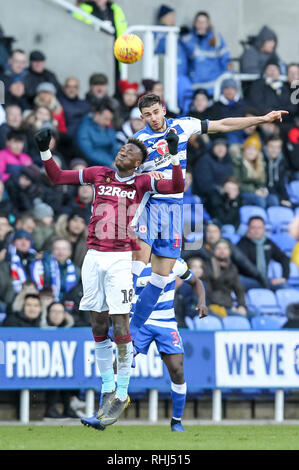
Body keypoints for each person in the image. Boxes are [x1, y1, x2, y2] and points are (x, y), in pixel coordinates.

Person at [34, 125, 184, 429]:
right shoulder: (99, 173)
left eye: (129, 152)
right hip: (92, 257)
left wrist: (176, 155)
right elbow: (57, 177)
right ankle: (106, 391)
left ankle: (122, 393)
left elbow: (176, 187)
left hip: (119, 259)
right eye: (122, 148)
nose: (122, 152)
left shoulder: (142, 183)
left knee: (120, 324)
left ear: (137, 163)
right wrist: (44, 150)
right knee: (98, 325)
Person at [129, 93, 287, 339]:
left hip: (173, 211)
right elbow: (124, 177)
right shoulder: (138, 140)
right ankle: (119, 316)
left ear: (163, 110)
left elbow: (223, 124)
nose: (153, 118)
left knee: (160, 279)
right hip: (149, 206)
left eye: (156, 112)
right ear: (142, 117)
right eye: (147, 115)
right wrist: (145, 179)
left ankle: (132, 331)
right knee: (136, 267)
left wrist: (262, 119)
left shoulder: (182, 125)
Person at [129, 257, 207, 432]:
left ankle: (176, 421)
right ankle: (104, 411)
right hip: (139, 321)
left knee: (177, 369)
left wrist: (201, 302)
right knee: (122, 362)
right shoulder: (133, 261)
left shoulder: (174, 262)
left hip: (166, 323)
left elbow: (196, 282)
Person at [178, 11, 232, 112]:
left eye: (204, 22)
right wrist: (184, 36)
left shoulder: (215, 38)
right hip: (195, 87)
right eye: (199, 22)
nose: (201, 25)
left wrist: (228, 78)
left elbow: (226, 59)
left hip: (214, 87)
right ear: (194, 23)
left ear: (208, 24)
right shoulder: (189, 38)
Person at [237, 216, 290, 290]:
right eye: (253, 228)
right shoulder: (242, 244)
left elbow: (284, 258)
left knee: (283, 286)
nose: (256, 231)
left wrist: (284, 277)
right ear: (248, 229)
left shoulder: (268, 243)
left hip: (264, 279)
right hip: (247, 279)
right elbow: (243, 264)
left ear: (264, 229)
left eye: (259, 228)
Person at [203, 239, 247, 317]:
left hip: (229, 305)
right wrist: (229, 306)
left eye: (225, 248)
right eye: (219, 248)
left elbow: (239, 289)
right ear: (213, 251)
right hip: (215, 306)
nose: (222, 251)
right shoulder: (207, 267)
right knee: (239, 317)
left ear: (229, 251)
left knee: (254, 316)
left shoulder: (232, 268)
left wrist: (241, 306)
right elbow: (209, 293)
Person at [263, 136, 291, 207]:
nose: (274, 150)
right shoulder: (261, 161)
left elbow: (281, 184)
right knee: (274, 201)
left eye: (277, 147)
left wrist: (286, 199)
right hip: (265, 193)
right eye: (271, 147)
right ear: (266, 147)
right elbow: (265, 185)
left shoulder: (281, 162)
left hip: (276, 194)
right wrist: (281, 199)